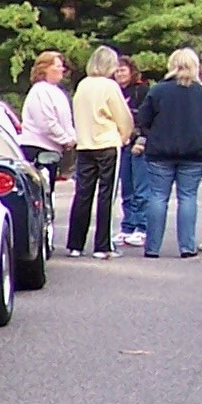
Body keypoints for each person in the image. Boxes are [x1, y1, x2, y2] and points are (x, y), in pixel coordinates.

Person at [132, 49, 202, 258]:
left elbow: (143, 119)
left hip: (161, 151)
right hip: (194, 152)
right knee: (188, 197)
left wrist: (152, 134)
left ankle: (152, 247)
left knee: (158, 197)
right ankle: (187, 246)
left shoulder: (159, 91)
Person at [67, 47, 132, 258]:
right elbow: (123, 116)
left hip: (85, 145)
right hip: (106, 143)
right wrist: (124, 136)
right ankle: (103, 246)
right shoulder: (109, 86)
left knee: (82, 194)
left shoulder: (83, 85)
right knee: (106, 195)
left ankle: (75, 244)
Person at [19, 51, 76, 189]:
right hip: (38, 150)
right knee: (42, 191)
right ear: (44, 69)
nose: (62, 69)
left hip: (53, 150)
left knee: (50, 190)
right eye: (58, 66)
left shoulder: (57, 91)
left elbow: (66, 121)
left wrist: (73, 138)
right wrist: (65, 139)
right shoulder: (40, 91)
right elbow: (46, 123)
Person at [113, 58, 150, 249]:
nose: (119, 74)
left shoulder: (142, 91)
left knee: (141, 188)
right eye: (117, 71)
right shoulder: (114, 91)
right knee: (126, 188)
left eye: (123, 70)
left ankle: (142, 227)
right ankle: (127, 226)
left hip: (138, 143)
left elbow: (148, 118)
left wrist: (142, 140)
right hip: (121, 143)